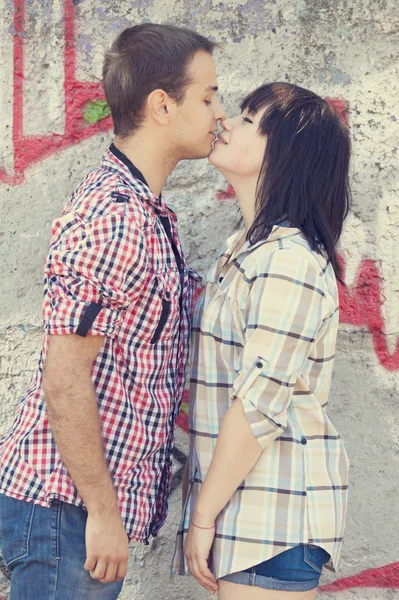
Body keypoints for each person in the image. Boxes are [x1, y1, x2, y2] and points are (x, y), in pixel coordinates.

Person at [0, 23, 225, 600]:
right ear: (161, 105)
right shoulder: (117, 217)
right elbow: (64, 375)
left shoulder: (147, 213)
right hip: (67, 513)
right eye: (207, 96)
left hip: (77, 514)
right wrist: (102, 512)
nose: (218, 113)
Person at [172, 82, 351, 599]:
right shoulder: (246, 250)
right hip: (249, 513)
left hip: (273, 520)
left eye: (249, 119)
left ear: (287, 153)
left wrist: (202, 515)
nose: (227, 121)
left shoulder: (289, 260)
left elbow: (258, 407)